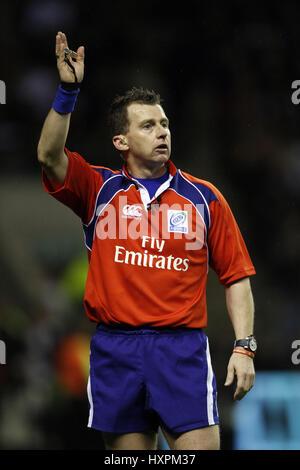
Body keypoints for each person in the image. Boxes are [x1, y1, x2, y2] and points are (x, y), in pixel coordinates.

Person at [37, 31, 256, 451]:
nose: (162, 132)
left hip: (181, 351)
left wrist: (244, 347)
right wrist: (67, 91)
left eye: (165, 123)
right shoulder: (97, 189)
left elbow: (237, 276)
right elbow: (49, 155)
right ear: (121, 142)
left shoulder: (205, 198)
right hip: (114, 350)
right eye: (148, 125)